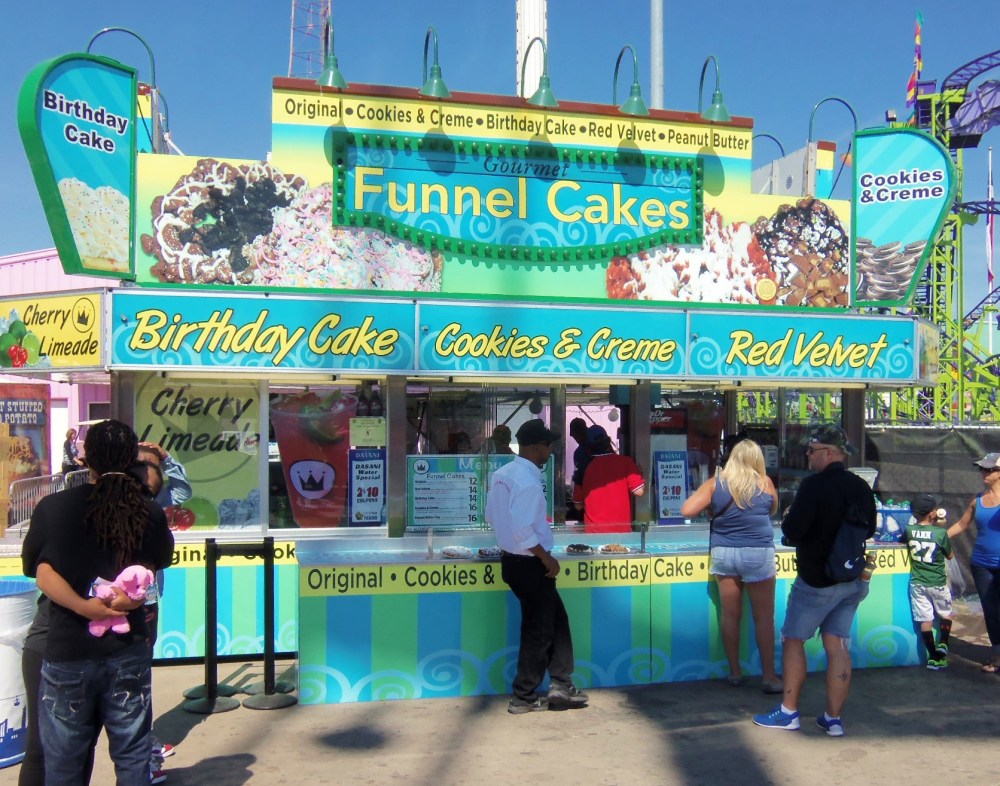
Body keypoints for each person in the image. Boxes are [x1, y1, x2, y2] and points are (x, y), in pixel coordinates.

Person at [22, 419, 174, 785]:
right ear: (131, 458)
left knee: (64, 761)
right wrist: (131, 599)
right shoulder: (147, 510)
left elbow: (40, 570)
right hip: (127, 650)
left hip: (68, 650)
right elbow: (153, 566)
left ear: (86, 457)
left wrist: (82, 606)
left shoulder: (55, 507)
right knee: (133, 756)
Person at [753, 425, 876, 737]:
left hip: (817, 580)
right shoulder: (861, 486)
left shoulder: (813, 486)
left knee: (794, 640)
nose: (807, 455)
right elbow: (870, 530)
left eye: (812, 450)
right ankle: (833, 719)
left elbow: (793, 531)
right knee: (837, 644)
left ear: (830, 453)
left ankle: (788, 712)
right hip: (852, 578)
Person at [485, 418, 588, 714]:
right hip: (530, 564)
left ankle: (561, 682)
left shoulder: (503, 474)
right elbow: (521, 529)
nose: (549, 450)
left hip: (513, 561)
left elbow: (492, 516)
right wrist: (546, 558)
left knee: (555, 622)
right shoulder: (528, 481)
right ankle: (524, 696)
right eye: (546, 445)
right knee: (538, 630)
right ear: (532, 447)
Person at [680, 438, 782, 693]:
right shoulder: (766, 483)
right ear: (757, 460)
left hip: (725, 551)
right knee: (764, 619)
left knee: (730, 615)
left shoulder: (716, 484)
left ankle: (735, 672)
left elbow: (686, 510)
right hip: (758, 552)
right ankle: (769, 677)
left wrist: (712, 509)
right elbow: (772, 510)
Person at [946, 452, 1000, 673]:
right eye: (982, 469)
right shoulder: (977, 501)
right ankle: (997, 651)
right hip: (981, 564)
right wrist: (935, 537)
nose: (983, 473)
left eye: (988, 469)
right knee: (991, 609)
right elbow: (960, 525)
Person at [902, 493, 953, 670]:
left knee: (925, 620)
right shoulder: (940, 532)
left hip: (917, 583)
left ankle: (933, 657)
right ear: (933, 512)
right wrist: (939, 527)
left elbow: (904, 541)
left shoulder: (908, 530)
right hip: (938, 582)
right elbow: (950, 555)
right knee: (945, 613)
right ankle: (943, 644)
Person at [573, 425, 644, 534]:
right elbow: (639, 491)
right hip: (622, 533)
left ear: (588, 447)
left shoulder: (583, 468)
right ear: (608, 441)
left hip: (594, 533)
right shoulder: (625, 462)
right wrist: (641, 474)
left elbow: (578, 506)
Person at [138, 442, 192, 509]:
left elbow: (182, 494)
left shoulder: (158, 496)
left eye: (156, 467)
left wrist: (166, 459)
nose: (154, 472)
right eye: (144, 465)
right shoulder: (123, 491)